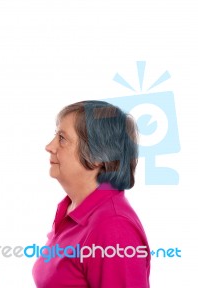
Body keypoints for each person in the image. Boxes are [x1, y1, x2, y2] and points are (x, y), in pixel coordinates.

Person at [32, 100, 150, 287]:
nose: (49, 146)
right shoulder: (72, 212)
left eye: (62, 138)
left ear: (98, 156)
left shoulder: (113, 228)